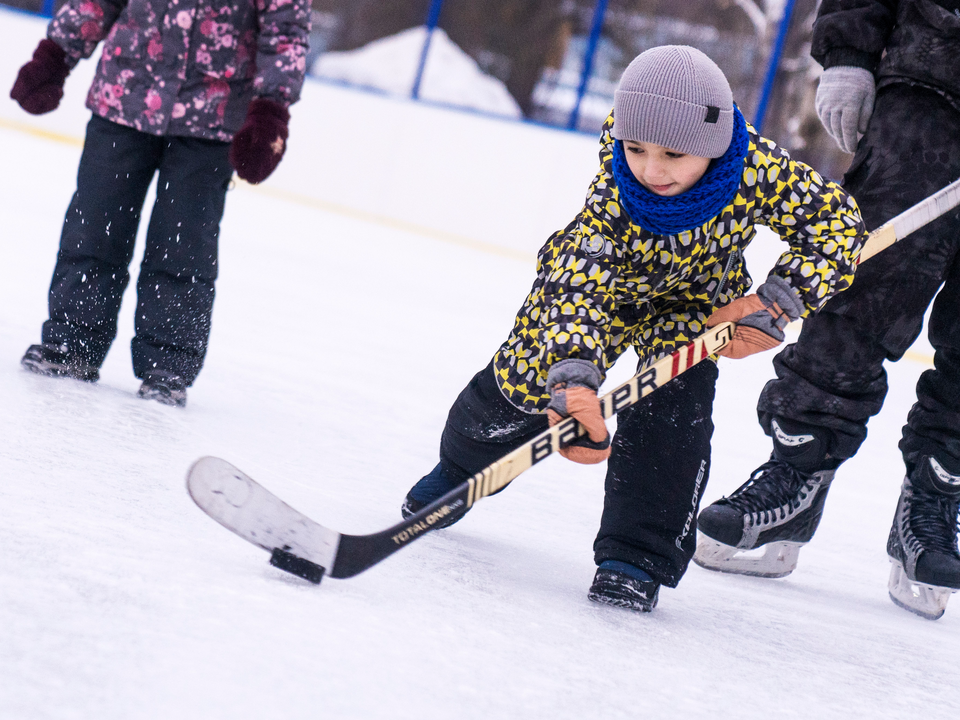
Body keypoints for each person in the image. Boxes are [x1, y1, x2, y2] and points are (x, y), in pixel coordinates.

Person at [400, 45, 866, 613]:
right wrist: (574, 380)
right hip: (602, 291)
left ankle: (636, 555)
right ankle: (458, 468)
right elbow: (580, 291)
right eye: (636, 147)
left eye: (674, 152)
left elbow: (835, 222)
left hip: (696, 305)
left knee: (673, 410)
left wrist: (780, 299)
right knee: (524, 377)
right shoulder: (615, 196)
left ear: (716, 145)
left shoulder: (757, 170)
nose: (651, 168)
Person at [694, 0, 960, 620]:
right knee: (865, 285)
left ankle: (937, 497)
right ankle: (797, 472)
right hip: (929, 75)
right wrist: (849, 53)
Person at [10, 0, 310, 407]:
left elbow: (285, 31)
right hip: (125, 92)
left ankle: (167, 364)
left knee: (184, 243)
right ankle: (71, 342)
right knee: (95, 224)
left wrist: (272, 111)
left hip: (213, 113)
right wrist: (55, 56)